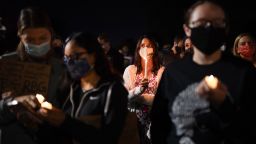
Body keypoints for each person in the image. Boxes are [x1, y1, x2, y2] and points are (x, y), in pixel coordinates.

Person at [151, 1, 256, 144]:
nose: (209, 27)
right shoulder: (173, 73)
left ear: (226, 28)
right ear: (187, 29)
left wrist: (225, 105)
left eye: (217, 22)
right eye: (201, 22)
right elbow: (159, 125)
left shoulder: (244, 72)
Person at [34, 32, 128, 144]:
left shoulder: (113, 91)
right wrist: (37, 124)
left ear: (94, 55)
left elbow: (109, 139)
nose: (70, 62)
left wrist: (65, 121)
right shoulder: (69, 89)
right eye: (66, 58)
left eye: (76, 56)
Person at [0, 7, 64, 144]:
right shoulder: (5, 64)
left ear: (51, 35)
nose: (37, 44)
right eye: (30, 39)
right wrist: (12, 103)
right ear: (20, 36)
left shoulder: (62, 67)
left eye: (42, 38)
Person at [123, 35, 164, 144]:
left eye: (149, 46)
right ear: (138, 49)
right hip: (133, 123)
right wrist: (139, 90)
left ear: (154, 49)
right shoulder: (130, 71)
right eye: (142, 46)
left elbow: (160, 101)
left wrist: (138, 98)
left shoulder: (161, 71)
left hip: (154, 123)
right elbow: (124, 98)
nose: (146, 48)